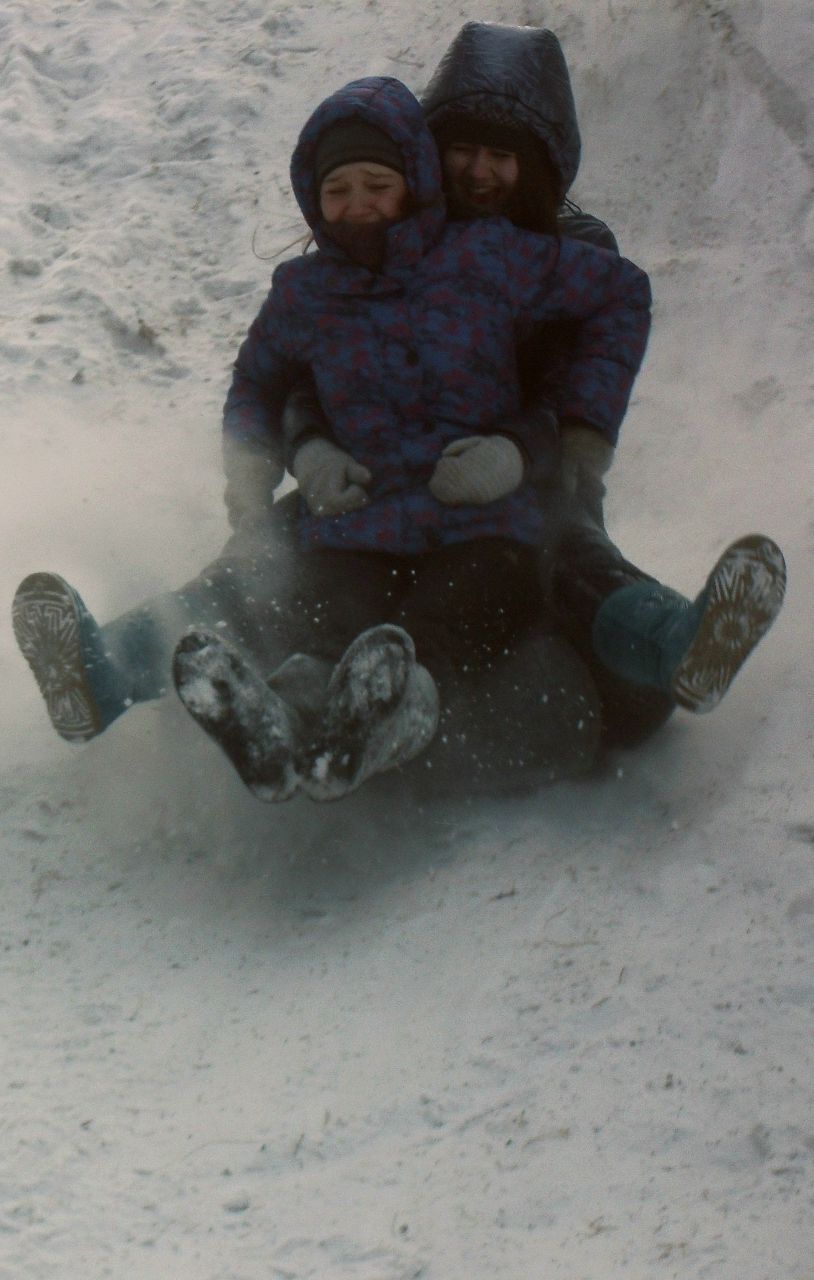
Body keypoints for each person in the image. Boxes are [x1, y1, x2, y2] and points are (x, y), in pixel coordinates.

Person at [13, 73, 652, 803]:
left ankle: (405, 715)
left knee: (459, 615)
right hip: (364, 515)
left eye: (375, 185)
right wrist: (268, 470)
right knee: (282, 593)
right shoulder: (309, 290)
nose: (357, 209)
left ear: (412, 179)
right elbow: (263, 384)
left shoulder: (497, 255)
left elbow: (615, 303)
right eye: (336, 190)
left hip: (492, 515)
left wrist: (572, 437)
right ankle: (168, 692)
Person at [272, 22, 787, 747]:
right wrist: (309, 448)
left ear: (538, 165)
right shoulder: (391, 237)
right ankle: (191, 673)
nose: (480, 171)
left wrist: (515, 450)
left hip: (523, 482)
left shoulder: (573, 254)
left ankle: (676, 641)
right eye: (463, 150)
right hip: (383, 485)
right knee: (279, 554)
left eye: (501, 155)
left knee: (556, 541)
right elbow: (309, 369)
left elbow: (571, 387)